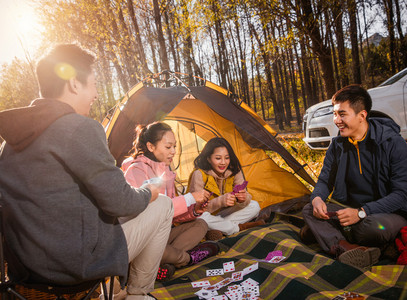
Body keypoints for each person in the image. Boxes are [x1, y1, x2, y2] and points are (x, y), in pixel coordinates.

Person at [0, 44, 174, 300]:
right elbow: (121, 201)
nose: (95, 93)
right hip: (73, 266)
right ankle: (139, 294)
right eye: (93, 83)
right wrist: (149, 191)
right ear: (73, 84)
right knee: (163, 205)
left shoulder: (10, 142)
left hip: (26, 269)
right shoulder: (79, 128)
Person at [301, 84, 407, 269]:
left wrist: (361, 212)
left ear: (362, 115)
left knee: (372, 228)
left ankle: (328, 234)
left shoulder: (394, 144)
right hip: (351, 209)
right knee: (309, 209)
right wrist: (318, 198)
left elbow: (401, 195)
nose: (336, 120)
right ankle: (345, 246)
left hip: (390, 212)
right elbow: (324, 180)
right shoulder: (337, 146)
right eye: (335, 114)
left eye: (342, 114)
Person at [122, 122, 219, 281]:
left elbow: (170, 216)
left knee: (200, 224)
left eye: (174, 146)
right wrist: (189, 197)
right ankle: (184, 258)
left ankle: (162, 262)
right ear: (151, 146)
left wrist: (194, 209)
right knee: (157, 249)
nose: (173, 151)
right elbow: (150, 212)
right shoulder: (136, 170)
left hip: (162, 236)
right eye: (168, 147)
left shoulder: (165, 171)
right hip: (142, 239)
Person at [188, 137, 264, 240]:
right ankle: (237, 228)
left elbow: (245, 197)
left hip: (225, 214)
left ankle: (217, 229)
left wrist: (243, 199)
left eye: (227, 158)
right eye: (218, 158)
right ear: (208, 159)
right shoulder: (199, 174)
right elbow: (195, 209)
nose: (223, 162)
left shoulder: (235, 172)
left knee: (254, 205)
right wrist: (220, 201)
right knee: (199, 218)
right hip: (207, 214)